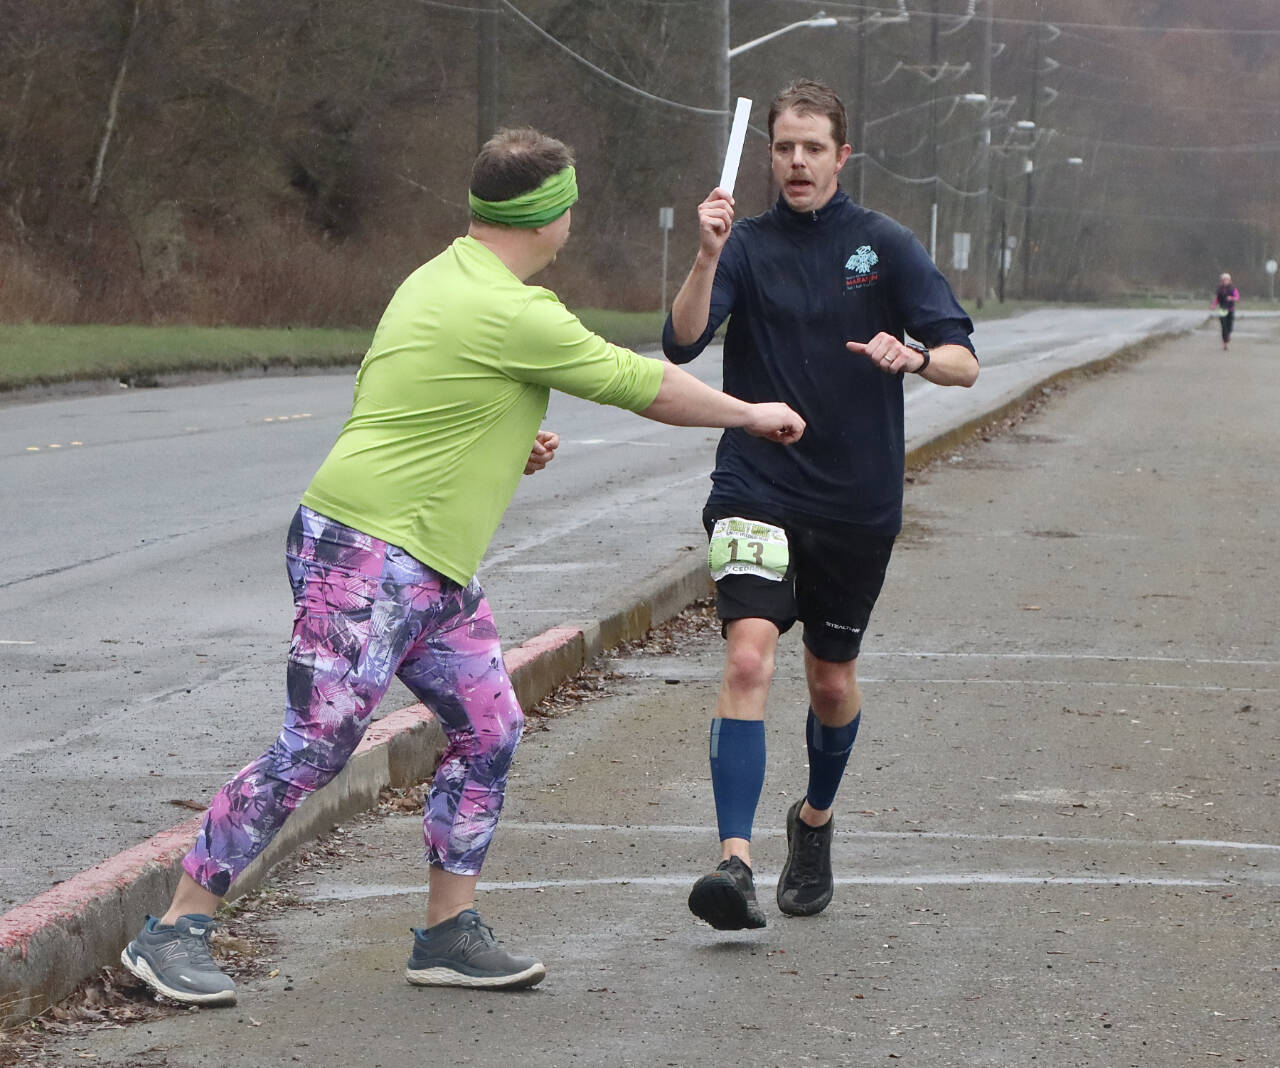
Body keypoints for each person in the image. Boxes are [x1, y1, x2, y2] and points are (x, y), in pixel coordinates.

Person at [119, 127, 805, 1005]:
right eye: (572, 207)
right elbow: (645, 384)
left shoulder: (439, 275)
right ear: (550, 215)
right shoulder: (517, 311)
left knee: (490, 727)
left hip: (430, 569)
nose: (574, 221)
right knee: (318, 741)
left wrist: (501, 440)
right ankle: (175, 928)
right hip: (366, 553)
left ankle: (447, 934)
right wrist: (750, 413)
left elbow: (404, 391)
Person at [662, 79, 979, 931]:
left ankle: (813, 821)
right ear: (767, 155)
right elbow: (682, 341)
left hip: (855, 500)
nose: (796, 162)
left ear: (842, 156)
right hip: (757, 486)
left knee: (831, 682)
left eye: (812, 148)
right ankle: (734, 864)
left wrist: (912, 356)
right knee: (747, 660)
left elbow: (964, 363)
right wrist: (704, 255)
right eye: (783, 147)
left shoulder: (884, 246)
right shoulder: (745, 245)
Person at [1212, 272, 1239, 350]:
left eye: (1227, 280)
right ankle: (1225, 343)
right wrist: (1214, 305)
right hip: (1222, 309)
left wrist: (1231, 298)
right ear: (1222, 280)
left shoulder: (1233, 289)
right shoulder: (1219, 289)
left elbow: (1237, 298)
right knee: (1223, 326)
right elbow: (1217, 298)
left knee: (1229, 326)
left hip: (1230, 309)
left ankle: (1228, 335)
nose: (1225, 281)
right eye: (1224, 280)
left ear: (1230, 280)